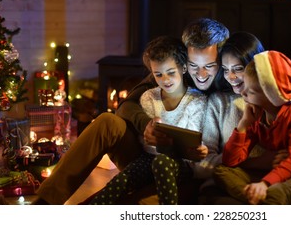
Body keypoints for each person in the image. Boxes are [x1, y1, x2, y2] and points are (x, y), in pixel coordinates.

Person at [34, 18, 291, 205]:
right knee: (107, 122)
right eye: (194, 66)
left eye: (211, 65)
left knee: (140, 204)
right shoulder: (177, 69)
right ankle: (46, 204)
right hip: (147, 153)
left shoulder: (238, 80)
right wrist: (145, 125)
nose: (202, 75)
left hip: (191, 170)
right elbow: (129, 102)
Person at [199, 32, 291, 205]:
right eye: (226, 70)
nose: (231, 77)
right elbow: (220, 161)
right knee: (216, 183)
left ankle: (264, 201)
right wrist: (255, 155)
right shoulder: (245, 110)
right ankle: (262, 201)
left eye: (238, 69)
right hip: (252, 176)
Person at [89, 36, 208, 205]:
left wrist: (197, 149)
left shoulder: (196, 101)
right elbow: (145, 141)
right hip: (149, 158)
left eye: (170, 73)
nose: (165, 80)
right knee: (118, 183)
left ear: (183, 68)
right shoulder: (149, 97)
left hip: (180, 164)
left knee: (162, 162)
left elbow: (195, 137)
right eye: (158, 75)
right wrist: (151, 134)